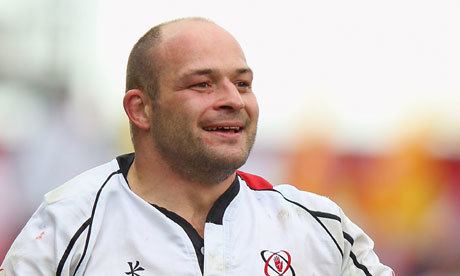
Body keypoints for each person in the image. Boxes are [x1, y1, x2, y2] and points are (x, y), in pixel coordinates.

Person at [1, 18, 394, 275]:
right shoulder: (66, 225)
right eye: (202, 84)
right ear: (141, 109)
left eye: (242, 83)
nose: (233, 100)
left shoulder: (317, 228)